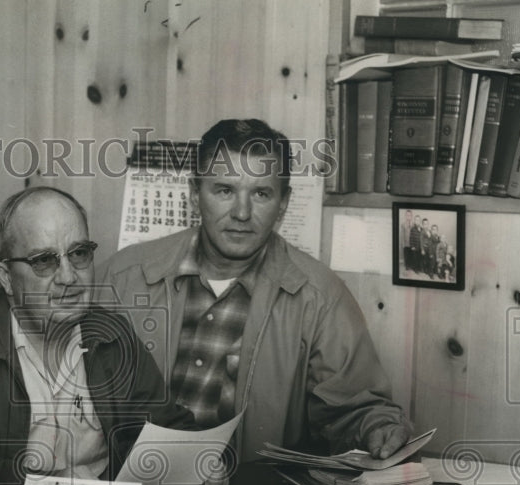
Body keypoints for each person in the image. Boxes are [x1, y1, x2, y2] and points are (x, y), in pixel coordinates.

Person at [101, 118, 412, 461]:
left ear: (283, 204)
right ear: (194, 194)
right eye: (224, 190)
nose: (242, 213)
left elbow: (354, 408)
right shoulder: (123, 277)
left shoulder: (320, 297)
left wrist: (375, 427)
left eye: (261, 194)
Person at [0, 186, 217, 485]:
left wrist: (199, 465)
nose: (69, 277)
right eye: (44, 260)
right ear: (5, 277)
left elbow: (163, 427)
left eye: (79, 254)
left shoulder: (113, 335)